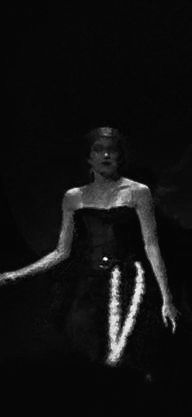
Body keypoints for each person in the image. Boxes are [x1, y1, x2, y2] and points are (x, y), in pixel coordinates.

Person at [0, 125, 182, 376]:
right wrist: (17, 275)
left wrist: (166, 298)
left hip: (129, 282)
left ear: (120, 156)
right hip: (89, 285)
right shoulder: (74, 197)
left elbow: (151, 245)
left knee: (122, 355)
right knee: (86, 349)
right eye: (99, 149)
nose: (106, 155)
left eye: (112, 150)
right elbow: (62, 251)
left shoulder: (138, 193)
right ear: (89, 157)